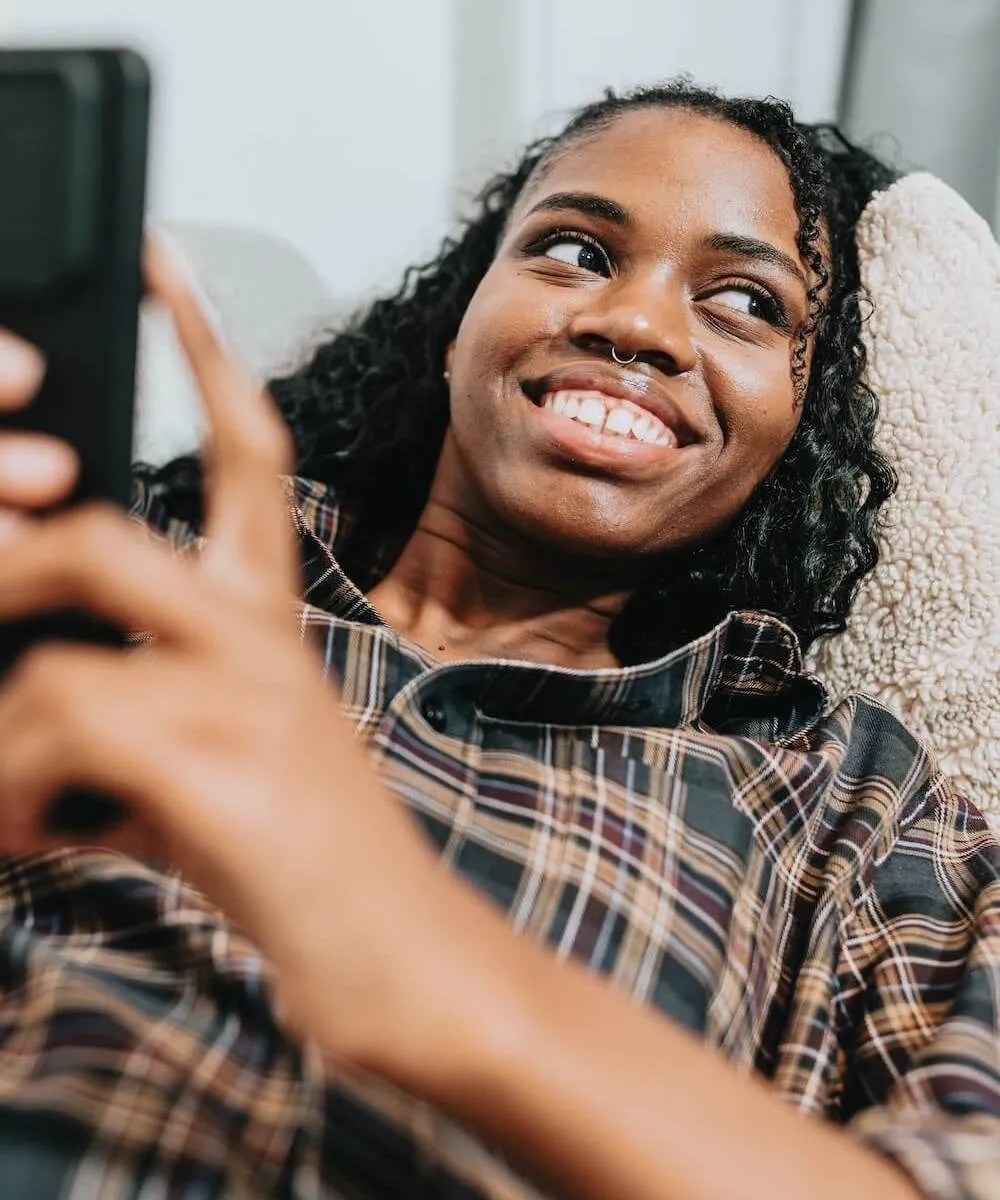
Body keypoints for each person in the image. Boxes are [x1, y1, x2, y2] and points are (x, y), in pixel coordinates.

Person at [0, 79, 995, 1200]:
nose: (636, 325)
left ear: (798, 424)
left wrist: (428, 966)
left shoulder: (852, 802)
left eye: (746, 304)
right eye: (573, 249)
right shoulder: (120, 561)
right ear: (458, 317)